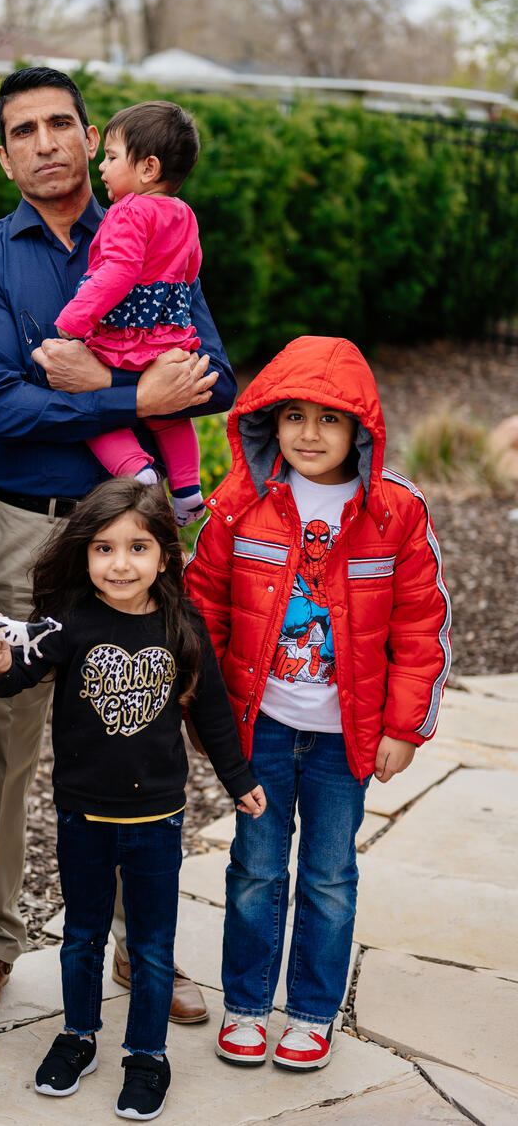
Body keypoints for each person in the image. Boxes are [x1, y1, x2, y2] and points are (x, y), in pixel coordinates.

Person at [0, 66, 237, 1029]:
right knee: (5, 749)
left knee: (134, 730)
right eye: (22, 129)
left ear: (93, 135)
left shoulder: (154, 225)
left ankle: (134, 942)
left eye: (62, 123)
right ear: (5, 153)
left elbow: (217, 375)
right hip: (26, 526)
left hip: (135, 535)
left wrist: (129, 390)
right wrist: (128, 400)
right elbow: (5, 407)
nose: (45, 142)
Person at [185, 335, 451, 1072]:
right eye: (294, 415)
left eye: (330, 419)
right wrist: (203, 713)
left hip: (346, 737)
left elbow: (420, 620)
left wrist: (405, 724)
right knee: (257, 868)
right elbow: (202, 607)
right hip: (259, 727)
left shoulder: (394, 513)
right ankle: (245, 1004)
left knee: (330, 874)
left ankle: (309, 1012)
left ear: (361, 430)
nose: (309, 434)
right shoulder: (240, 503)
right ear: (268, 420)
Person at [0, 479, 265, 1120]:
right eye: (103, 548)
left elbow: (213, 711)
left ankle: (147, 1053)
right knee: (81, 938)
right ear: (84, 556)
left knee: (154, 946)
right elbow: (15, 681)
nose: (120, 563)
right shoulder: (71, 621)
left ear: (164, 554)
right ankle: (78, 1036)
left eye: (137, 547)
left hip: (158, 818)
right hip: (83, 813)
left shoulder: (181, 624)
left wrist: (239, 780)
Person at [55, 101, 207, 527]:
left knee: (86, 402)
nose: (101, 166)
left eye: (112, 156)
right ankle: (189, 491)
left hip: (124, 337)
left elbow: (118, 273)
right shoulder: (184, 212)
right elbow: (192, 268)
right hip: (170, 335)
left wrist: (73, 322)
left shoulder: (129, 211)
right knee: (169, 413)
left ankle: (138, 473)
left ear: (148, 168)